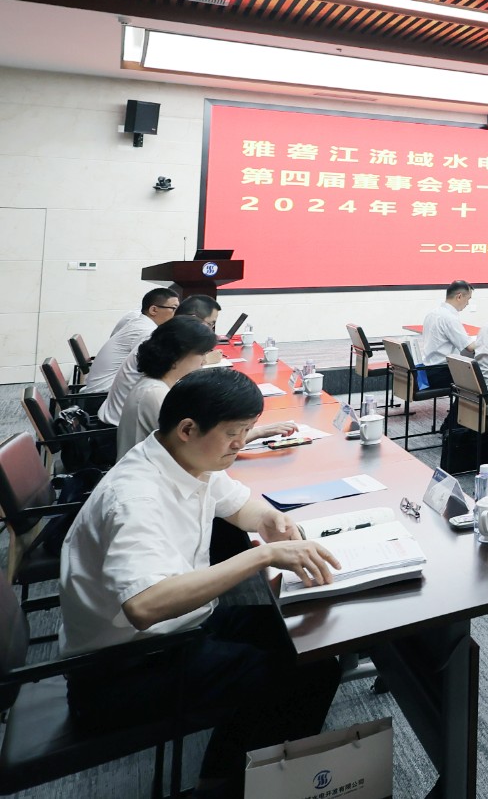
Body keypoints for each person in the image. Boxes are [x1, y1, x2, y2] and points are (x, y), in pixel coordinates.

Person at [60, 370, 343, 798]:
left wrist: (272, 520)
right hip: (119, 671)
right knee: (302, 675)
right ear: (188, 429)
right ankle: (235, 787)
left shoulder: (184, 458)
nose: (241, 443)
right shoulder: (135, 497)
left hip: (176, 631)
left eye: (246, 431)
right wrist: (262, 555)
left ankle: (224, 774)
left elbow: (241, 507)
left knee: (305, 644)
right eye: (233, 433)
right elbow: (145, 606)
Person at [115, 317, 294, 459]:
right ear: (176, 355)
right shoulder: (155, 393)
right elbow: (198, 446)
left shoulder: (159, 384)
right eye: (201, 354)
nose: (204, 361)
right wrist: (259, 432)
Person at [100, 294, 224, 426]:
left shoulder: (166, 336)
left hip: (123, 414)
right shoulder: (159, 340)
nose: (203, 361)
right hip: (115, 422)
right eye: (210, 324)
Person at [84, 288, 180, 392]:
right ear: (153, 310)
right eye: (174, 308)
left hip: (102, 391)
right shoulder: (145, 331)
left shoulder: (140, 324)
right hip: (101, 395)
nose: (178, 314)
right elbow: (154, 369)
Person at [420, 279, 477, 379]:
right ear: (459, 297)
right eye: (468, 299)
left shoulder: (432, 313)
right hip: (442, 372)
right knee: (480, 377)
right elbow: (470, 347)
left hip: (428, 369)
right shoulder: (449, 318)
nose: (468, 303)